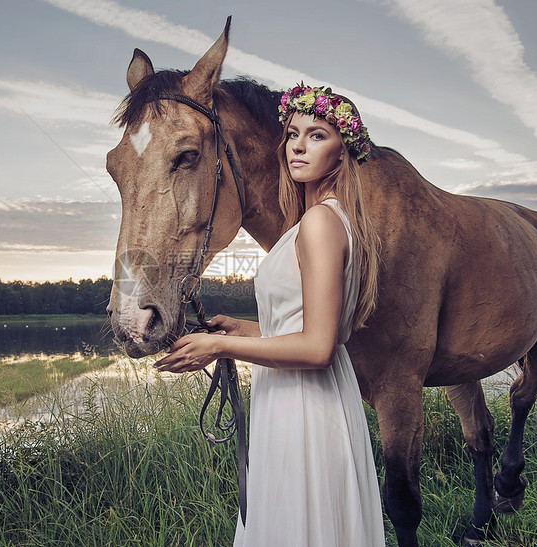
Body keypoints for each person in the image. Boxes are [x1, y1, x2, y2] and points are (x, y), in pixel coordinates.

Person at [154, 83, 385, 546]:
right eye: (293, 133)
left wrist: (219, 345)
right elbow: (306, 327)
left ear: (343, 153)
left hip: (307, 403)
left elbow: (318, 348)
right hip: (297, 397)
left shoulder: (320, 223)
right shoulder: (325, 218)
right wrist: (246, 330)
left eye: (317, 135)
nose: (298, 145)